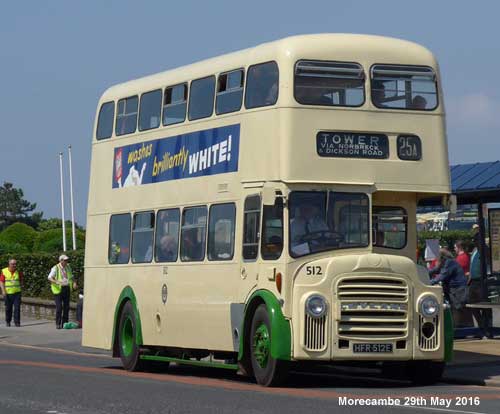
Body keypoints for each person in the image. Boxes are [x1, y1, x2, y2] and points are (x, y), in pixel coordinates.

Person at [429, 248, 468, 319]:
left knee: (457, 308)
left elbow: (442, 276)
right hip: (454, 289)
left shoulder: (449, 262)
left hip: (457, 290)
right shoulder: (445, 263)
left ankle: (458, 327)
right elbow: (435, 270)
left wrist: (427, 282)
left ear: (441, 257)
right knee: (455, 308)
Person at [469, 233, 492, 338]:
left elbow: (490, 263)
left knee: (485, 306)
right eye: (474, 240)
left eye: (476, 240)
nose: (475, 242)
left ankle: (486, 329)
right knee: (472, 305)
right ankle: (481, 327)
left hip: (481, 281)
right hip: (473, 282)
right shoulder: (474, 250)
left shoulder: (485, 250)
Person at [48, 254, 77, 329]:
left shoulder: (68, 267)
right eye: (65, 260)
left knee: (66, 307)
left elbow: (71, 276)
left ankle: (65, 323)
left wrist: (74, 282)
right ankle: (58, 323)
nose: (66, 261)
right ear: (60, 261)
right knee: (59, 307)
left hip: (67, 288)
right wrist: (56, 282)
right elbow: (49, 277)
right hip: (58, 290)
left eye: (67, 260)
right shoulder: (55, 268)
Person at [0, 259, 23, 327]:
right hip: (8, 293)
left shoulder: (18, 272)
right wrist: (3, 291)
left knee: (17, 308)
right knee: (8, 308)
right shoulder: (4, 271)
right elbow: (1, 282)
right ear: (9, 264)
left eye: (15, 264)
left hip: (17, 293)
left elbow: (21, 280)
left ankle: (17, 322)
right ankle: (8, 321)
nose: (14, 265)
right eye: (13, 264)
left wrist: (21, 287)